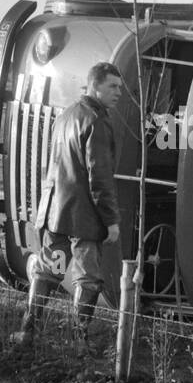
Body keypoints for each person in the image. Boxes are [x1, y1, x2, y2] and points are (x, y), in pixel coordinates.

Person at [11, 61, 123, 349]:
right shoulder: (97, 122)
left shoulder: (66, 115)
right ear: (95, 86)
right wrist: (111, 221)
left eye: (120, 87)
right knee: (87, 279)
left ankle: (27, 331)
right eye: (112, 86)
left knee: (50, 270)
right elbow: (99, 177)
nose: (118, 93)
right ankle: (78, 340)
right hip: (83, 219)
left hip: (55, 213)